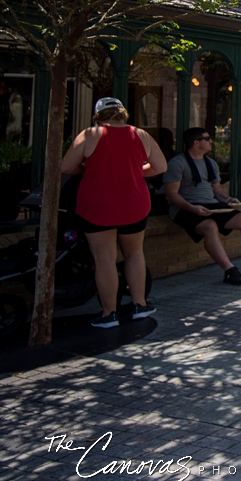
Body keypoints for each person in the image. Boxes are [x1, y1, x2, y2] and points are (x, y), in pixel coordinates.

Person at [62, 97, 168, 328]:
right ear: (123, 113)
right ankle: (140, 304)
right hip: (133, 203)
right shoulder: (140, 135)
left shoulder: (90, 135)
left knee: (105, 260)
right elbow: (161, 167)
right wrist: (135, 171)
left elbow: (66, 167)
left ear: (98, 115)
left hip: (97, 206)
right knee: (134, 253)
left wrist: (88, 168)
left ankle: (109, 314)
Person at [163, 127, 241, 285]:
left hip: (210, 204)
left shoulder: (210, 163)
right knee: (210, 226)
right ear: (196, 143)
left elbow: (217, 192)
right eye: (207, 138)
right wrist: (192, 208)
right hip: (185, 208)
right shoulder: (178, 163)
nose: (211, 141)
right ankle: (229, 270)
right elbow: (172, 195)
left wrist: (229, 199)